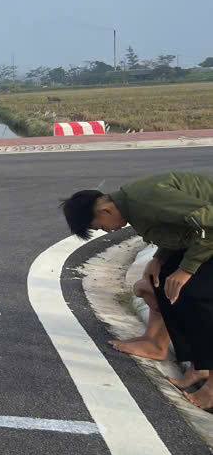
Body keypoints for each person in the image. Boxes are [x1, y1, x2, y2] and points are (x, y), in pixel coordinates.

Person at [60, 172, 213, 409]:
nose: (108, 232)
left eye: (101, 227)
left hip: (209, 234)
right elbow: (179, 229)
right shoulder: (133, 205)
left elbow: (208, 221)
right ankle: (192, 362)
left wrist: (186, 270)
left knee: (196, 294)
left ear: (106, 210)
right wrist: (159, 258)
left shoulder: (147, 199)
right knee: (159, 280)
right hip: (203, 238)